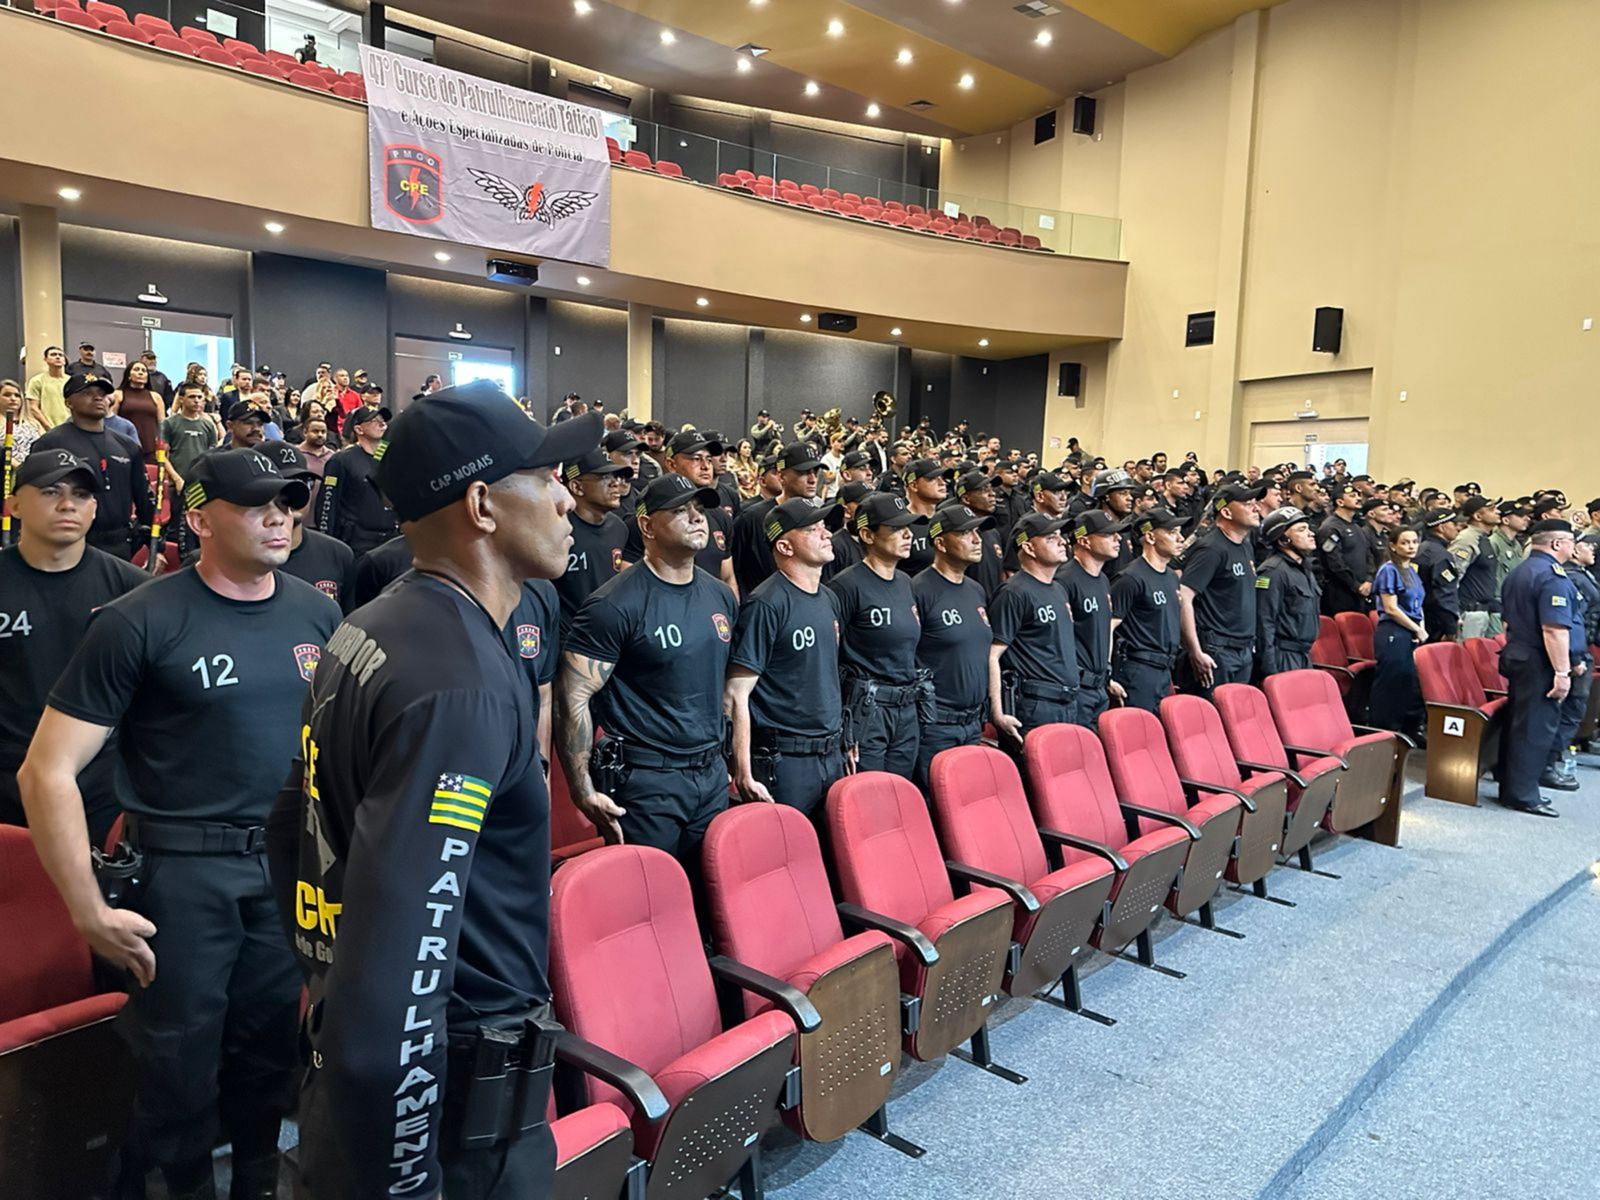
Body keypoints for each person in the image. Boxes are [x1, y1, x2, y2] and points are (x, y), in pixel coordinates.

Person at [267, 390, 591, 1200]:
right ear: (481, 504)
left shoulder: (373, 625)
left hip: (367, 1076)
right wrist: (410, 1176)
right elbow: (405, 968)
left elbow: (285, 831)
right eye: (546, 476)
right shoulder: (462, 684)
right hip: (440, 1112)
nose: (567, 497)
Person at [21, 448, 338, 1200]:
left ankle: (258, 1180)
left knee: (269, 1053)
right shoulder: (138, 620)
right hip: (181, 876)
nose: (279, 517)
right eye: (257, 503)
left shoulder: (318, 611)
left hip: (282, 868)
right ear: (198, 518)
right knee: (174, 1066)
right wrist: (86, 907)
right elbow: (47, 770)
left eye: (289, 503)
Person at [559, 473, 737, 868]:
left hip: (709, 772)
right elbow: (573, 697)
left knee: (709, 898)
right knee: (648, 898)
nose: (696, 518)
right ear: (646, 526)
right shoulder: (613, 604)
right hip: (647, 782)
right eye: (679, 511)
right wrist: (582, 788)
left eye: (699, 509)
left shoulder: (720, 595)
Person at [0, 452, 145, 845]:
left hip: (104, 790)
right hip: (8, 784)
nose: (68, 505)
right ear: (13, 504)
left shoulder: (135, 590)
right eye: (50, 491)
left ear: (95, 508)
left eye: (81, 495)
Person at [725, 498, 847, 817]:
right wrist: (744, 770)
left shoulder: (830, 598)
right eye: (812, 529)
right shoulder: (766, 604)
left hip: (831, 750)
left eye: (825, 527)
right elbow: (736, 693)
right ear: (785, 546)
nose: (826, 534)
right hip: (786, 760)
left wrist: (845, 738)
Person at [827, 493, 925, 777]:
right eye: (896, 528)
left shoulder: (906, 582)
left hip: (906, 707)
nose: (908, 534)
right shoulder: (845, 585)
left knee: (899, 794)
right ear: (868, 535)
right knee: (868, 798)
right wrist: (843, 725)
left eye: (908, 526)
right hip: (867, 710)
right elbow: (831, 658)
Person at [1494, 519, 1580, 816]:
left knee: (1520, 722)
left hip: (1518, 653)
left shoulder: (1520, 571)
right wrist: (1562, 672)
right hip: (1539, 660)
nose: (1574, 547)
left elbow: (1506, 621)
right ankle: (1524, 795)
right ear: (1557, 544)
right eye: (1570, 541)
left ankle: (1511, 785)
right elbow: (1554, 630)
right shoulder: (1552, 576)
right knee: (1535, 727)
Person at [910, 504, 996, 785]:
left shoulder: (975, 589)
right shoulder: (918, 590)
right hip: (936, 725)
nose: (976, 539)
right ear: (940, 543)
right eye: (965, 533)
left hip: (973, 723)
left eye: (977, 532)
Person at [31, 372, 153, 559]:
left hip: (119, 544)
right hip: (69, 544)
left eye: (102, 394)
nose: (98, 397)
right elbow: (36, 498)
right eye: (87, 392)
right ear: (69, 402)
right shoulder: (49, 444)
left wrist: (156, 546)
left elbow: (143, 497)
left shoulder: (127, 446)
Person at [990, 512, 1078, 745]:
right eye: (1051, 538)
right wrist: (998, 713)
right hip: (1037, 704)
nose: (1062, 541)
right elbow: (992, 655)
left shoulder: (1059, 588)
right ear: (1028, 548)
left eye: (1060, 535)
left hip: (1068, 700)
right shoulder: (1013, 592)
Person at [623, 429, 738, 595]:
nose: (706, 466)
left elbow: (727, 577)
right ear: (671, 464)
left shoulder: (720, 516)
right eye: (696, 459)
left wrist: (729, 615)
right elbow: (629, 581)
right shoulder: (651, 518)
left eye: (708, 459)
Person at [1176, 481, 1264, 696]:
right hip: (1218, 650)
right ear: (1226, 511)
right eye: (1247, 503)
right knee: (1211, 719)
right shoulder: (1211, 548)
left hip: (1242, 648)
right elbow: (1184, 597)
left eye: (1255, 502)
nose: (1256, 508)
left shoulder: (1244, 544)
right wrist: (1195, 651)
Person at [259, 441, 355, 612]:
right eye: (283, 486)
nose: (295, 496)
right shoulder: (234, 559)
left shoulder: (338, 554)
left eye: (303, 485)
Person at [1111, 509, 1185, 713]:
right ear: (1150, 536)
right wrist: (1108, 674)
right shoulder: (1130, 578)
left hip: (1165, 667)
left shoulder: (1171, 576)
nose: (1180, 538)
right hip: (1139, 668)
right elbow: (1108, 627)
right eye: (1172, 532)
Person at [1058, 511, 1126, 726]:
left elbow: (1105, 630)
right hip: (1076, 688)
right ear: (1085, 540)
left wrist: (1107, 676)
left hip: (1099, 686)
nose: (1119, 539)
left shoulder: (1103, 579)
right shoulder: (1064, 580)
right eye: (1108, 535)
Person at [554, 448, 632, 634]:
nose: (616, 483)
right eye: (604, 477)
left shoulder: (619, 528)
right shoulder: (555, 531)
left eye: (616, 476)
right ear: (577, 487)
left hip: (608, 638)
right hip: (564, 639)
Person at [730, 441, 821, 594]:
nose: (812, 479)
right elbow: (732, 570)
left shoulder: (819, 516)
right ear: (781, 476)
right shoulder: (751, 518)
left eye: (815, 472)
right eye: (803, 472)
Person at [1549, 531, 1600, 784]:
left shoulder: (1582, 574)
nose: (1593, 550)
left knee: (1575, 709)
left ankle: (1554, 757)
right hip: (1576, 650)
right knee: (1570, 709)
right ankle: (1552, 760)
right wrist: (1577, 656)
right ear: (1575, 549)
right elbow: (1572, 622)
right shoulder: (1569, 576)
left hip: (1584, 647)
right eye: (1587, 546)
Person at [316, 405, 400, 556]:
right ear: (359, 429)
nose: (382, 424)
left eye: (384, 420)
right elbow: (327, 503)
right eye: (375, 420)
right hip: (357, 544)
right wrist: (326, 543)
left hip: (391, 540)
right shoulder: (341, 460)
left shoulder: (387, 456)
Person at [1368, 525, 1426, 739]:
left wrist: (1422, 628)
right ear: (1393, 545)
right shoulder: (1389, 570)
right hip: (1394, 631)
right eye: (1404, 542)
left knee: (1409, 683)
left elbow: (1419, 604)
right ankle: (1381, 732)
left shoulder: (1412, 570)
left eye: (1413, 542)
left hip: (1412, 631)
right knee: (1391, 683)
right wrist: (1416, 628)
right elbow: (1391, 608)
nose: (1411, 546)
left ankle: (1404, 731)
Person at [1254, 506, 1322, 678]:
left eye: (1308, 528)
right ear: (1283, 540)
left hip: (1303, 654)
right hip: (1283, 656)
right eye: (1301, 529)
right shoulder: (1273, 572)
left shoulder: (1304, 568)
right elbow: (1264, 621)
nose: (1310, 533)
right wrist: (1270, 668)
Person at [1317, 483, 1371, 616]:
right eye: (1352, 496)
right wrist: (1355, 586)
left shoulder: (1357, 527)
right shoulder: (1330, 527)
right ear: (1340, 502)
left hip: (1361, 590)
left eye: (1358, 495)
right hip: (1339, 591)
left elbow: (1368, 555)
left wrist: (1369, 580)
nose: (1358, 498)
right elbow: (1334, 563)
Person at [953, 468, 1006, 598]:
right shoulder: (955, 535)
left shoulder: (992, 532)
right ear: (966, 498)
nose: (992, 494)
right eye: (983, 490)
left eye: (991, 489)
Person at [1415, 508, 1463, 642]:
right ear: (1442, 527)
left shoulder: (1422, 549)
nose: (1457, 528)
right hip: (1437, 623)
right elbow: (1444, 594)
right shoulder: (1440, 556)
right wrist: (1450, 627)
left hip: (1422, 617)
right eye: (1453, 524)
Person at [111, 359, 167, 458]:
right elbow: (111, 422)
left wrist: (162, 443)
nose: (140, 373)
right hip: (125, 446)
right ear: (129, 375)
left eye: (143, 371)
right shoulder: (118, 394)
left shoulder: (155, 396)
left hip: (151, 448)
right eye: (136, 370)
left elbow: (162, 424)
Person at [1, 376, 52, 467]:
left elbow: (46, 445)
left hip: (35, 470)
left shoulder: (33, 423)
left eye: (17, 395)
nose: (13, 398)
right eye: (7, 395)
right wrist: (18, 466)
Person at [26, 344, 71, 429]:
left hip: (71, 428)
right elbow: (33, 408)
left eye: (60, 355)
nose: (57, 357)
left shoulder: (71, 381)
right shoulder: (37, 380)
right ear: (45, 359)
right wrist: (48, 427)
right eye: (53, 355)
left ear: (64, 361)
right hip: (47, 429)